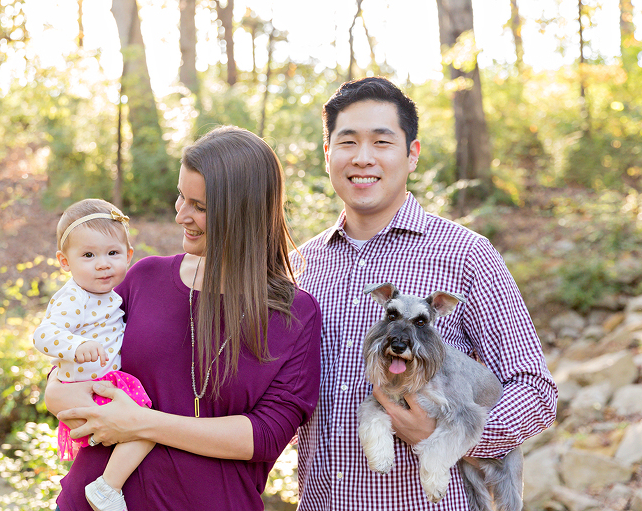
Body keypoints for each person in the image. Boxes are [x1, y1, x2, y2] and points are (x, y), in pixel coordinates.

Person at [291, 76, 558, 511]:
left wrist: (446, 437)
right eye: (347, 142)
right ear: (327, 155)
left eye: (381, 142)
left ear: (411, 155)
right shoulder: (302, 266)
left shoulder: (467, 255)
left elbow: (534, 389)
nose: (363, 158)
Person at [44, 125, 323, 511]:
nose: (180, 215)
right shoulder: (143, 278)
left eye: (200, 207)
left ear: (243, 213)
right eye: (181, 196)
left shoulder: (294, 315)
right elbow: (68, 373)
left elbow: (264, 436)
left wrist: (141, 423)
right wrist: (59, 391)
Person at [33, 198, 153, 511]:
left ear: (128, 255)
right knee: (145, 429)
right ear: (64, 261)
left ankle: (107, 485)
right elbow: (43, 335)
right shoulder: (75, 297)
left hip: (99, 385)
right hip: (84, 389)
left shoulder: (108, 295)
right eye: (88, 255)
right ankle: (106, 488)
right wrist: (75, 346)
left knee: (141, 428)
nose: (102, 263)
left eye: (112, 253)